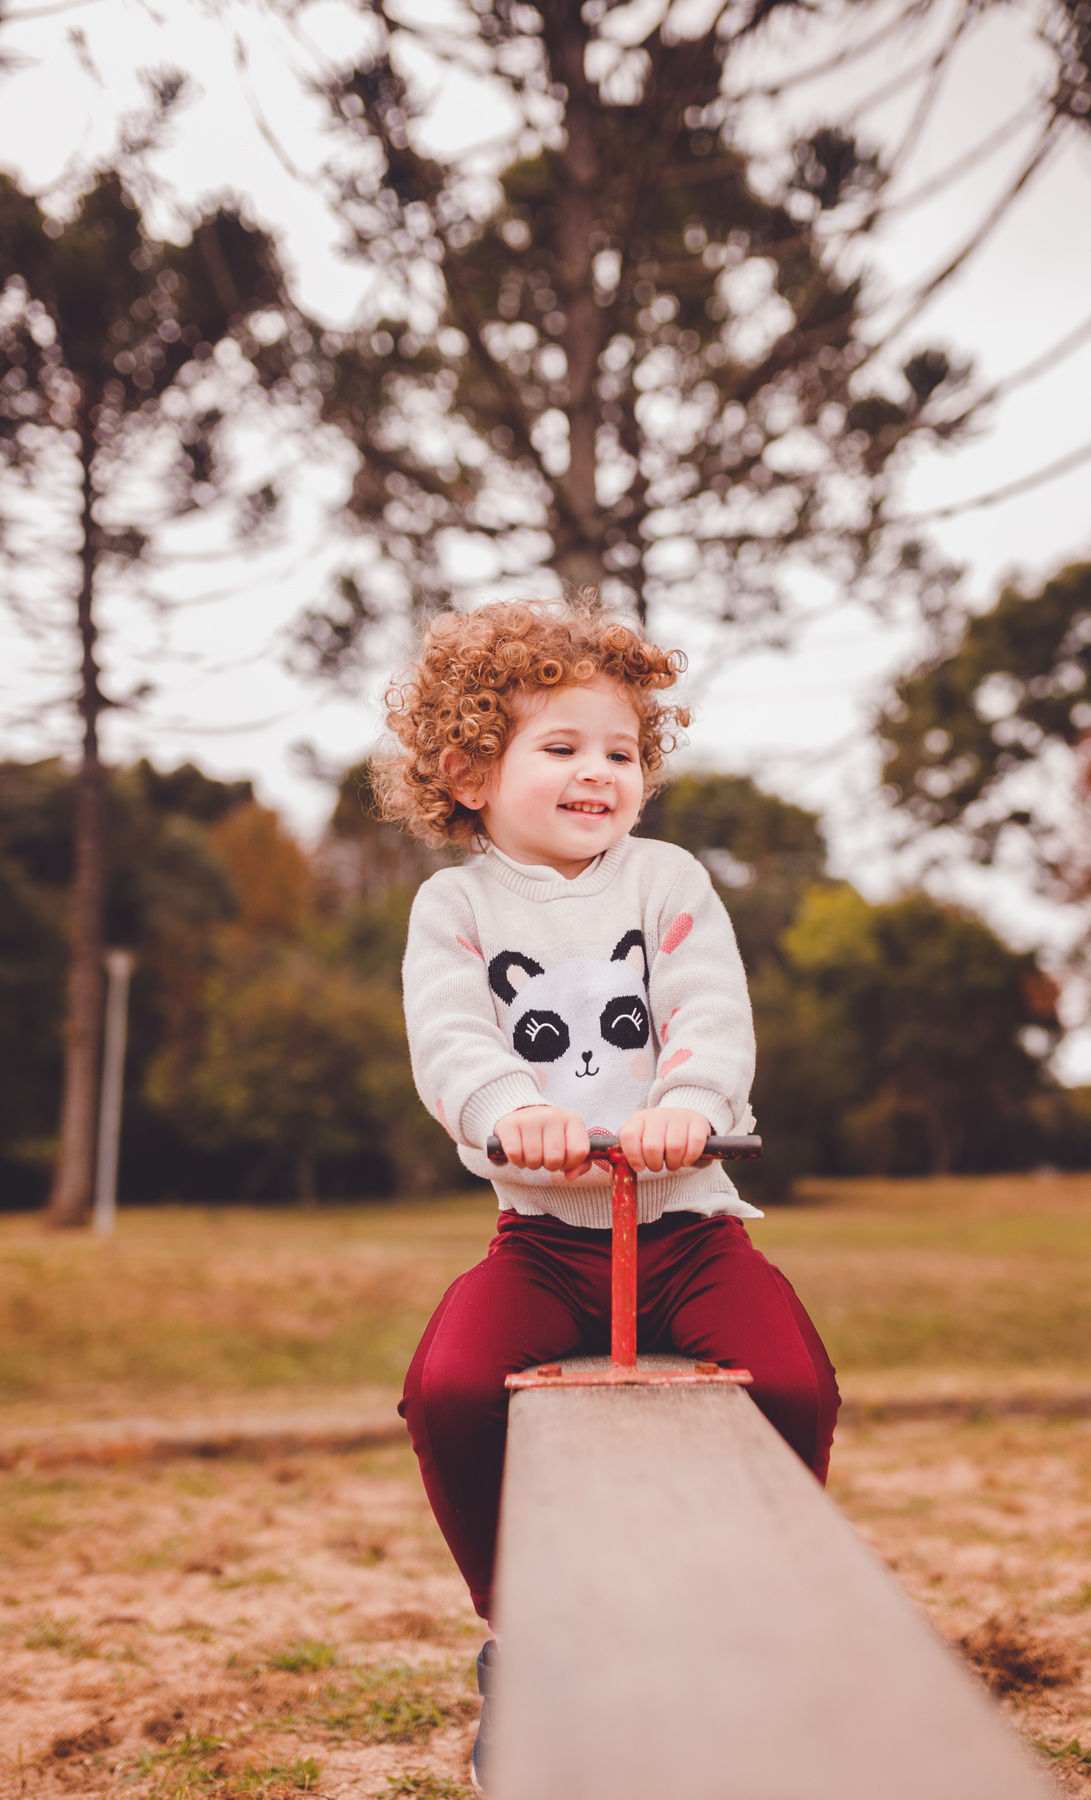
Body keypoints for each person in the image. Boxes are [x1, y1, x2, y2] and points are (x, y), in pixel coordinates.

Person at [378, 594, 839, 1790]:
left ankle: (742, 1611)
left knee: (790, 1380)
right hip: (542, 1236)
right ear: (473, 769)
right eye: (563, 747)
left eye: (623, 751)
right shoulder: (458, 908)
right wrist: (503, 1113)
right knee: (449, 1388)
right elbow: (451, 1042)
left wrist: (691, 1102)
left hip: (686, 1229)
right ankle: (521, 1630)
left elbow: (709, 1011)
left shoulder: (667, 878)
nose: (601, 773)